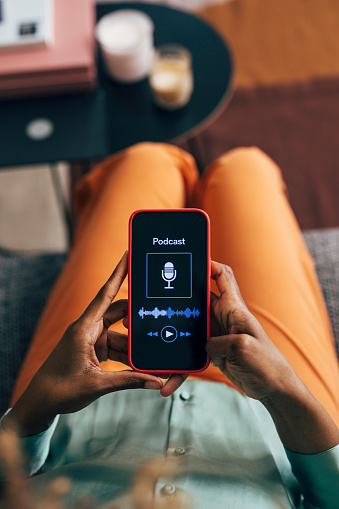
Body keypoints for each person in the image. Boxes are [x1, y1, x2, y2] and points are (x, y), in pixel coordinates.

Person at [1, 143, 339, 508]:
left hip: (87, 388)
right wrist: (283, 389)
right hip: (273, 409)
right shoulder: (278, 391)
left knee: (145, 159)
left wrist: (36, 407)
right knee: (245, 168)